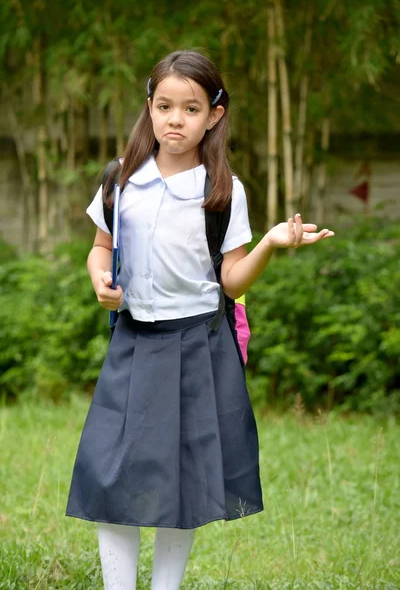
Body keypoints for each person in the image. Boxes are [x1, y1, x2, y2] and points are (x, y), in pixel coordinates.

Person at [66, 50, 334, 589]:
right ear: (149, 107)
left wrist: (271, 243)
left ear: (214, 114)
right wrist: (100, 280)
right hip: (134, 344)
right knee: (107, 473)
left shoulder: (224, 191)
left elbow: (231, 280)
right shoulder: (121, 180)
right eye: (164, 105)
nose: (175, 119)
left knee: (182, 483)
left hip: (197, 345)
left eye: (190, 108)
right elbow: (101, 248)